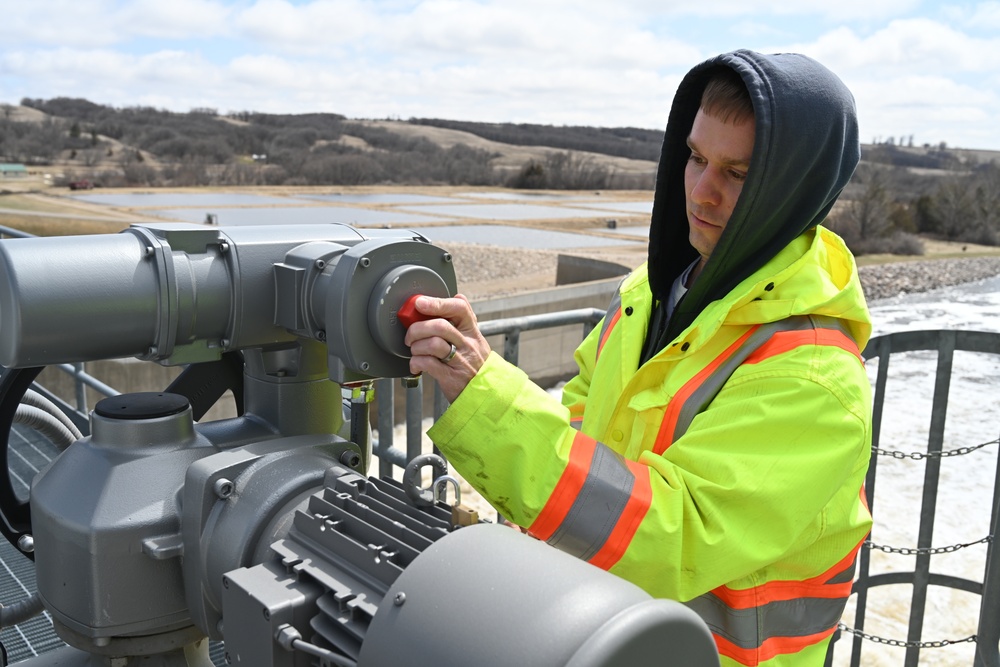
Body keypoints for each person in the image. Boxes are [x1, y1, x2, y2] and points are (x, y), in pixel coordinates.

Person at [405, 49, 873, 667]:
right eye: (697, 158)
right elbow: (582, 425)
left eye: (738, 174)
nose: (702, 192)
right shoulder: (646, 297)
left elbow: (672, 537)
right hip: (597, 631)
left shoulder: (812, 377)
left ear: (792, 192)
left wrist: (487, 399)